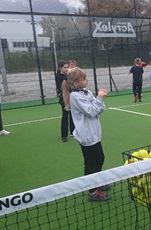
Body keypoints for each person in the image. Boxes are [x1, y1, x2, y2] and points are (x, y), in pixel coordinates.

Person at [66, 67, 111, 201]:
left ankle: (96, 182)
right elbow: (91, 111)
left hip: (94, 133)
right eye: (84, 79)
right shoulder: (75, 96)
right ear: (75, 83)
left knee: (100, 158)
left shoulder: (87, 92)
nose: (87, 81)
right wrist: (99, 98)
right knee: (90, 163)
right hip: (86, 136)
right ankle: (92, 192)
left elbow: (98, 109)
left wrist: (100, 100)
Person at [55, 60, 74, 142]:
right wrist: (70, 74)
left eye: (67, 67)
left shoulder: (67, 76)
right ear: (60, 68)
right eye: (65, 67)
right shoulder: (59, 76)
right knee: (65, 117)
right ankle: (64, 135)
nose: (67, 69)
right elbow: (63, 83)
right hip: (64, 99)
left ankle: (73, 131)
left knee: (73, 115)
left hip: (71, 98)